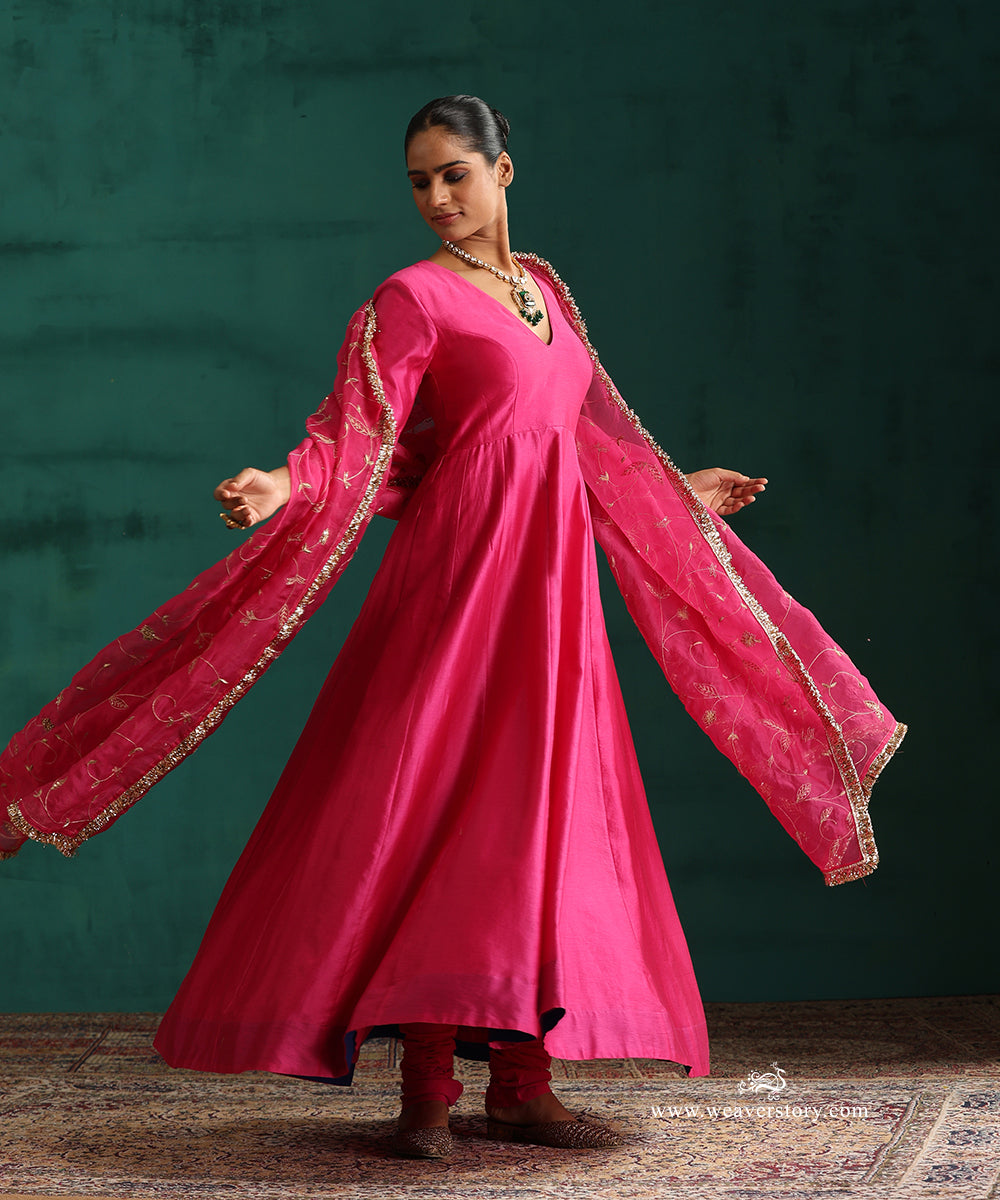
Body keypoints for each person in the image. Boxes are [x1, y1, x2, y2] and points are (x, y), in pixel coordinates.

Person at [1, 96, 905, 1160]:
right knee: (439, 811)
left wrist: (679, 491)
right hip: (458, 581)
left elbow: (579, 442)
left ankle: (522, 1086)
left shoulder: (546, 294)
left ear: (502, 171)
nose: (435, 199)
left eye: (454, 175)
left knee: (537, 819)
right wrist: (282, 486)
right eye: (419, 182)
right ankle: (426, 1093)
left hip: (552, 593)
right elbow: (361, 440)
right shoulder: (411, 300)